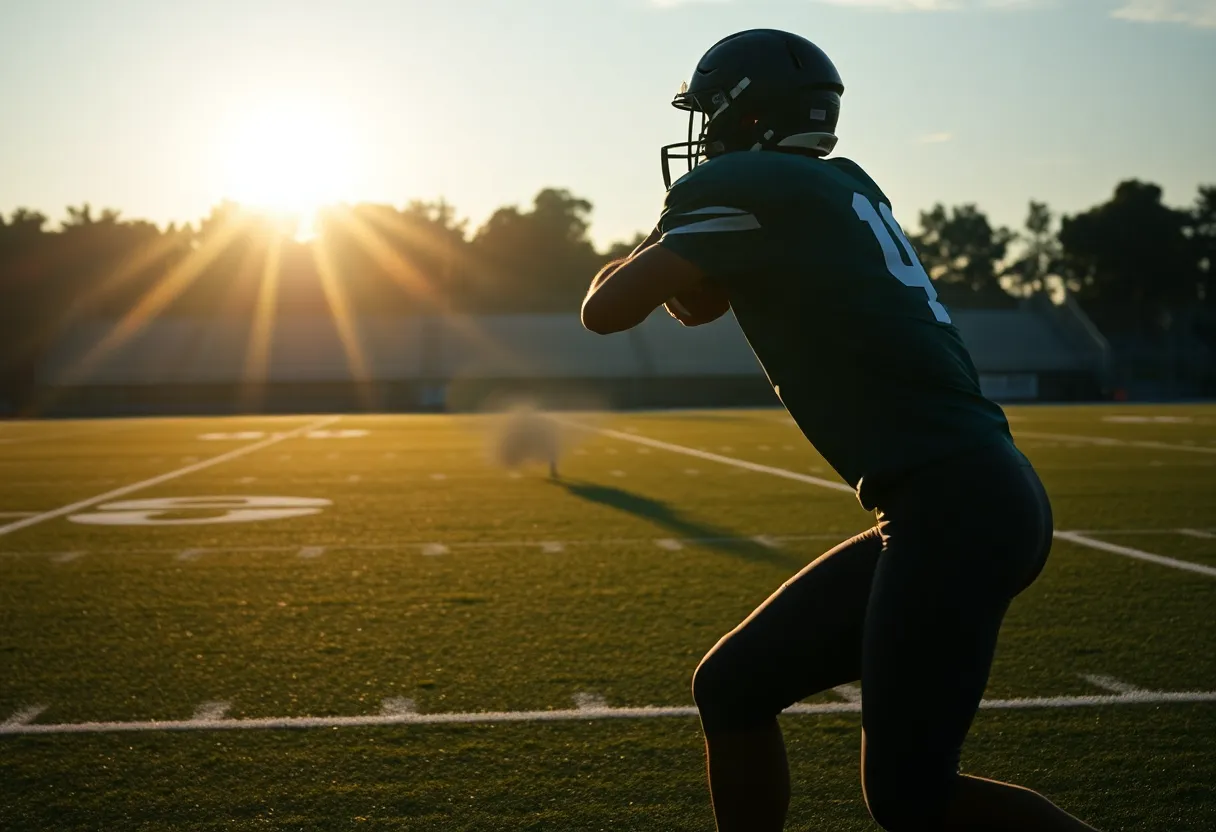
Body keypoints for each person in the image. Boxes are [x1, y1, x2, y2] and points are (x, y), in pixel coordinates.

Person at [580, 28, 1099, 832]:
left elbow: (607, 311)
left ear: (738, 114)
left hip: (953, 508)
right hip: (958, 498)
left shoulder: (748, 185)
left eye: (708, 115)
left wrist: (645, 244)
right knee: (734, 686)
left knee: (910, 795)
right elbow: (701, 300)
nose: (700, 135)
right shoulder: (839, 185)